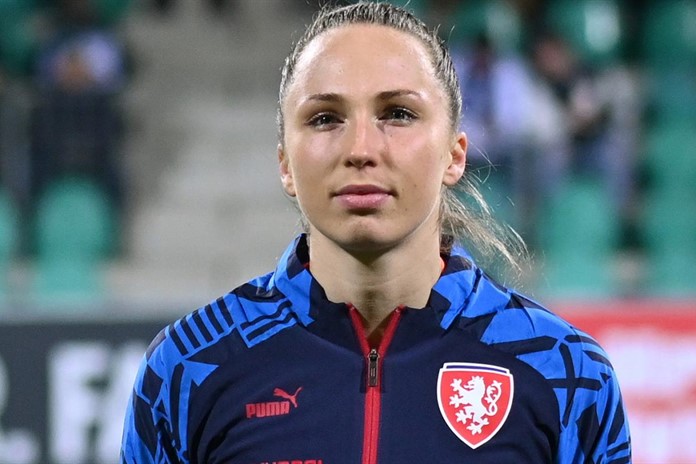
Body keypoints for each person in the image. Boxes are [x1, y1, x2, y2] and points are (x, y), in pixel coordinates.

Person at [120, 2, 631, 463]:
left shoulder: (566, 373)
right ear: (285, 165)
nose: (361, 149)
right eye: (325, 118)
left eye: (398, 114)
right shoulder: (187, 368)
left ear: (455, 155)